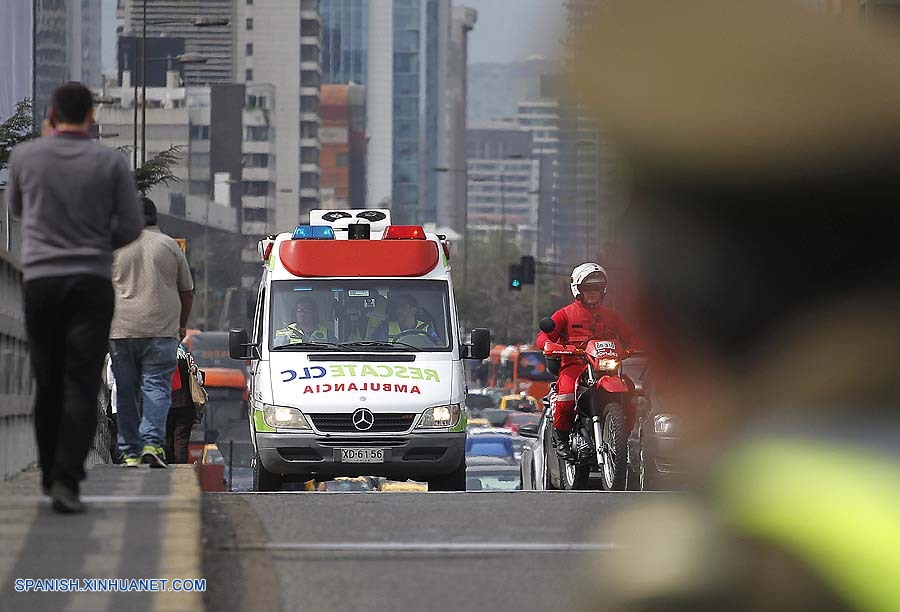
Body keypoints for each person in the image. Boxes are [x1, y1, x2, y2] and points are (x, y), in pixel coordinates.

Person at [568, 1, 900, 610]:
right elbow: (553, 343)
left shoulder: (718, 582)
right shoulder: (568, 318)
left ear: (650, 307)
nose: (594, 295)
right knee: (565, 401)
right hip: (580, 371)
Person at [6, 82, 144, 513]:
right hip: (90, 283)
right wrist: (97, 244)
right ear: (91, 117)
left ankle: (50, 474)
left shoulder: (25, 157)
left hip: (42, 282)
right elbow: (132, 226)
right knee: (82, 382)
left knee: (47, 380)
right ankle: (67, 478)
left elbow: (17, 209)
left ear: (51, 115)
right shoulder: (110, 162)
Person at [110, 198, 194, 469]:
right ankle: (152, 444)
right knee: (157, 387)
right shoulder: (169, 246)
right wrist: (181, 325)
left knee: (126, 391)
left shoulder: (115, 246)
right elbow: (187, 291)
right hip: (161, 331)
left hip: (121, 330)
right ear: (155, 218)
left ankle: (129, 452)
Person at [535, 263, 637, 458]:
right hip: (574, 365)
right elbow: (544, 336)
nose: (593, 293)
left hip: (606, 366)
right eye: (588, 288)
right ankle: (562, 438)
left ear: (603, 291)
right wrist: (549, 345)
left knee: (630, 390)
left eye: (597, 288)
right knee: (566, 397)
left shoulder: (611, 316)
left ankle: (623, 436)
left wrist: (639, 346)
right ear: (578, 290)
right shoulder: (564, 314)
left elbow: (631, 337)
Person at [166, 343, 203, 464]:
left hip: (165, 404)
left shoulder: (160, 354)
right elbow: (199, 380)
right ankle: (180, 467)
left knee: (166, 438)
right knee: (181, 440)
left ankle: (166, 467)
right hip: (186, 405)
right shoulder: (186, 356)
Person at [373, 294, 440, 344]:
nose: (398, 311)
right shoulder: (385, 328)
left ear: (414, 310)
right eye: (397, 307)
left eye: (403, 306)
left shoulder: (426, 329)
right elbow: (378, 349)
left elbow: (438, 347)